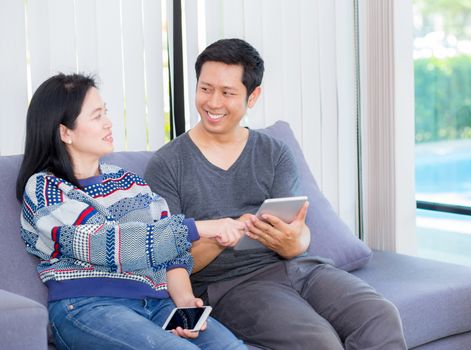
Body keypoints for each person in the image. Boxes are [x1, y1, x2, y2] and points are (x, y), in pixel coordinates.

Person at [144, 38, 407, 350]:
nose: (213, 102)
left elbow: (298, 236)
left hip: (303, 269)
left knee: (380, 316)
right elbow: (168, 259)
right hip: (232, 286)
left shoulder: (273, 152)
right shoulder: (167, 164)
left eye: (227, 93)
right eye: (205, 89)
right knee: (319, 343)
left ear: (253, 96)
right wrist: (220, 235)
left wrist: (293, 241)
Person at [16, 73, 248, 350]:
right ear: (65, 132)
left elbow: (170, 252)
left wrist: (185, 302)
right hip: (88, 307)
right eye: (96, 116)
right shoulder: (45, 188)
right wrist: (197, 227)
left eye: (106, 113)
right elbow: (107, 243)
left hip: (158, 304)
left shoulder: (130, 182)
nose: (108, 123)